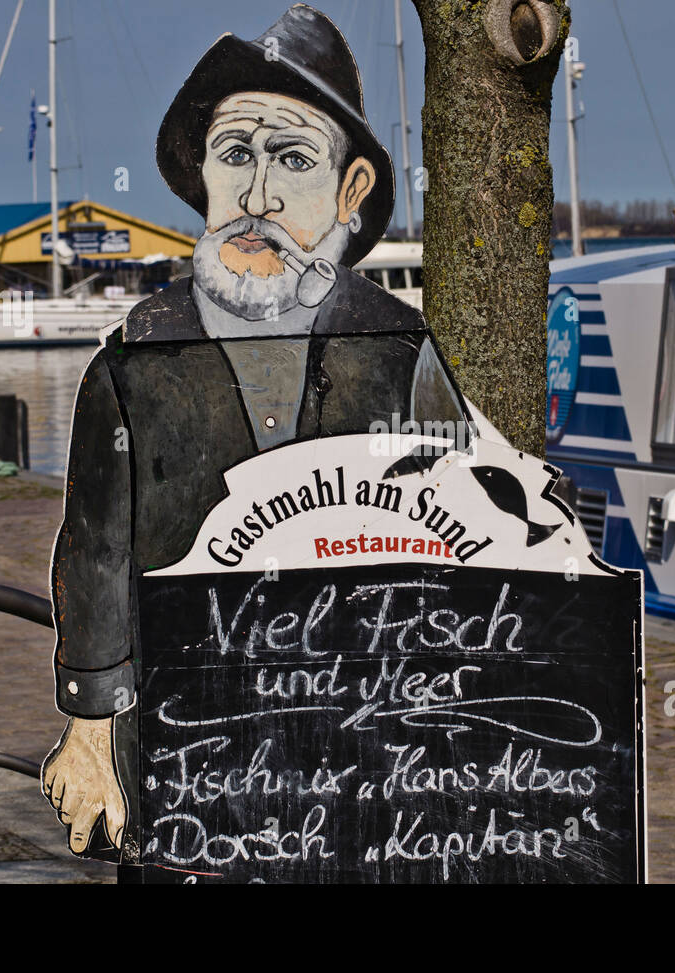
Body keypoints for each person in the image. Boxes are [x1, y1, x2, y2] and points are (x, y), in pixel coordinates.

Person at [40, 4, 467, 858]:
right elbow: (95, 552)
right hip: (180, 752)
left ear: (351, 192)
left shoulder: (398, 349)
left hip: (361, 752)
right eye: (235, 155)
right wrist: (90, 727)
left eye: (293, 159)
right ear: (202, 173)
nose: (258, 195)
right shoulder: (135, 359)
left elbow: (460, 537)